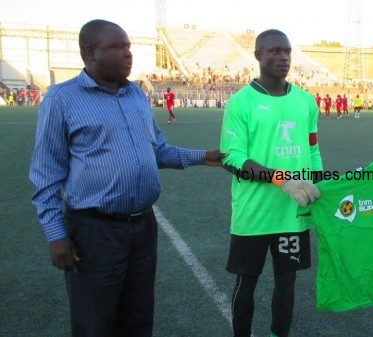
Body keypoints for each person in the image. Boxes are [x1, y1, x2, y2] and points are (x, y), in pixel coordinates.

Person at [29, 19, 225, 337]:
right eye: (118, 46)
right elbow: (46, 175)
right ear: (91, 52)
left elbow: (157, 151)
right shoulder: (61, 99)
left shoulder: (135, 95)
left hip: (142, 228)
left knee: (137, 318)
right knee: (94, 322)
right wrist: (55, 234)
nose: (128, 53)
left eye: (129, 46)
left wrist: (203, 156)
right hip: (94, 232)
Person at [220, 29, 323, 337]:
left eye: (287, 51)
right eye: (275, 51)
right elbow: (231, 159)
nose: (283, 57)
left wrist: (319, 184)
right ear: (258, 56)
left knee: (287, 282)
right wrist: (282, 180)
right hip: (253, 215)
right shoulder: (241, 102)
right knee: (246, 281)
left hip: (292, 215)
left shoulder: (306, 101)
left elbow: (313, 148)